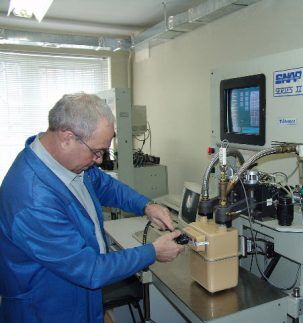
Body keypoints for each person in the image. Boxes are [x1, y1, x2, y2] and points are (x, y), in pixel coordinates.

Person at [0, 93, 184, 322]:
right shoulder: (33, 199)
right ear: (67, 137)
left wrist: (147, 206)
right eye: (96, 152)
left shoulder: (64, 164)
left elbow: (105, 185)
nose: (99, 160)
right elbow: (90, 270)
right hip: (47, 310)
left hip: (79, 299)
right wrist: (153, 252)